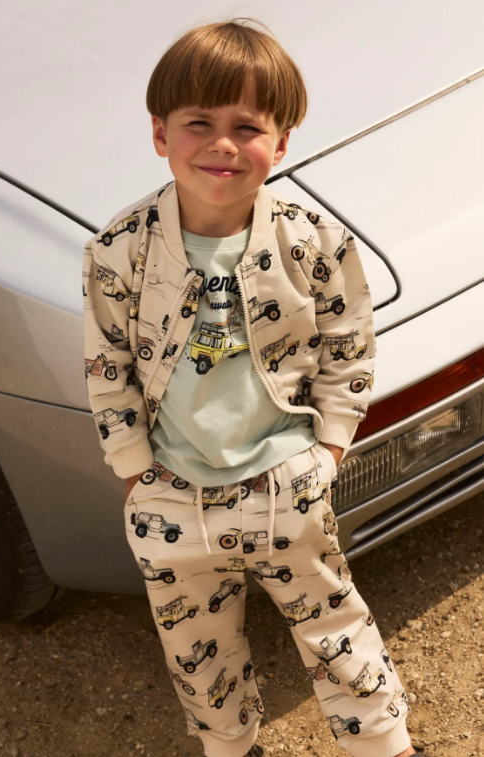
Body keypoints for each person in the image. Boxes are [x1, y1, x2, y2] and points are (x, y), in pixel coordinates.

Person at [82, 17, 426, 757]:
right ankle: (229, 747)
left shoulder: (315, 241)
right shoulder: (120, 249)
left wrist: (328, 450)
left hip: (285, 483)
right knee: (196, 651)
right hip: (171, 494)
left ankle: (385, 745)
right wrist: (135, 470)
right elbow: (107, 362)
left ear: (282, 141)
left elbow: (349, 345)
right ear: (160, 133)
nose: (223, 145)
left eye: (248, 126)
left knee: (335, 625)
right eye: (199, 123)